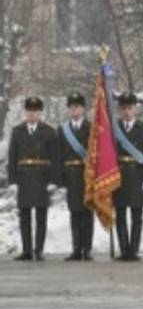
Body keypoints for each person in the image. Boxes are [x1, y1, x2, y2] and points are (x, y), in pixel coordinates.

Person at [7, 97, 56, 261]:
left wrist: (52, 181)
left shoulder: (49, 131)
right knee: (25, 216)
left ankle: (39, 250)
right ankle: (27, 250)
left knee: (41, 216)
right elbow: (12, 157)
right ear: (25, 112)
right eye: (29, 111)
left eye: (35, 111)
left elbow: (54, 158)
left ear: (40, 113)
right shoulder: (17, 131)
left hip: (42, 177)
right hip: (24, 177)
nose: (32, 114)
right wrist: (13, 181)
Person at [113, 93, 143, 262]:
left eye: (130, 108)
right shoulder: (114, 129)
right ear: (120, 110)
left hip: (137, 174)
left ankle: (134, 250)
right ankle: (124, 250)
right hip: (119, 175)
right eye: (124, 108)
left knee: (137, 215)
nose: (127, 112)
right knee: (120, 214)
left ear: (135, 109)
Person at [55, 93, 93, 261]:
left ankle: (87, 250)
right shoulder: (62, 130)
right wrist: (60, 181)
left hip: (87, 175)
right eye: (71, 107)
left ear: (83, 109)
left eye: (77, 106)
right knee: (74, 213)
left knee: (87, 213)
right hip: (70, 176)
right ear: (68, 109)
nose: (74, 110)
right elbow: (59, 156)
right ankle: (76, 249)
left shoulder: (92, 128)